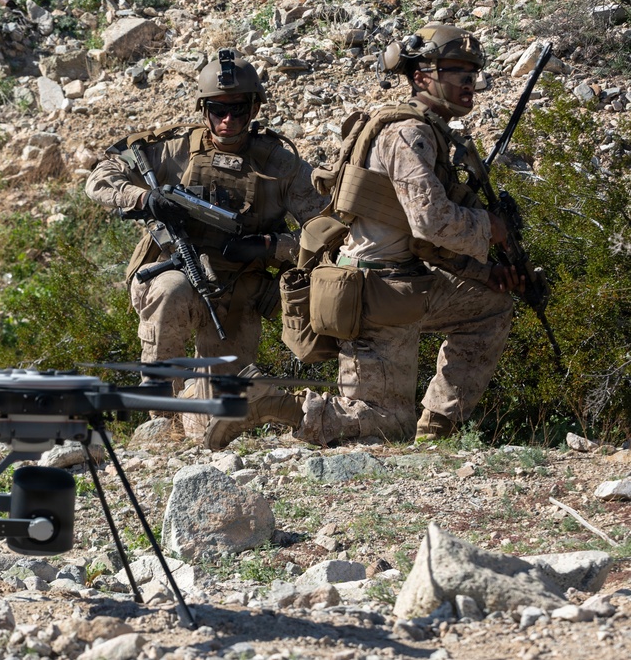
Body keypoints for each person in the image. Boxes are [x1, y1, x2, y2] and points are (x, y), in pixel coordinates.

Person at [205, 23, 523, 449]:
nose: (469, 82)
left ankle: (438, 431)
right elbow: (431, 222)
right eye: (456, 71)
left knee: (489, 307)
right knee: (385, 423)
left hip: (401, 282)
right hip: (376, 293)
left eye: (472, 72)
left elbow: (419, 238)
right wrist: (490, 228)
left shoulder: (422, 130)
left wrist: (482, 273)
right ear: (420, 76)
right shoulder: (408, 134)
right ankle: (267, 402)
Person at [84, 49, 326, 432]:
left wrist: (272, 247)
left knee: (218, 420)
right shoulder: (174, 148)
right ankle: (160, 416)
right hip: (178, 271)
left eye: (238, 110)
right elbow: (100, 178)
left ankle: (194, 410)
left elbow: (327, 230)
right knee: (168, 290)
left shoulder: (279, 165)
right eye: (218, 110)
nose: (228, 120)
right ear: (204, 109)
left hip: (239, 290)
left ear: (255, 108)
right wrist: (145, 199)